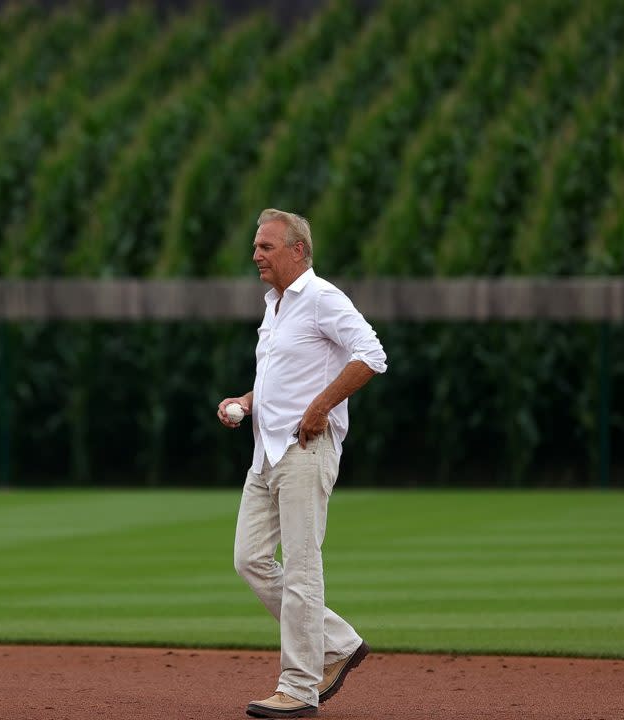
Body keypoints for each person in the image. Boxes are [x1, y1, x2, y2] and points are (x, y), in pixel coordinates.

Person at [217, 209, 387, 718]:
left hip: (304, 451)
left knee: (302, 569)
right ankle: (338, 642)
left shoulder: (322, 298)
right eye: (255, 246)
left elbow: (372, 354)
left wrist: (322, 406)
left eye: (266, 246)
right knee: (249, 559)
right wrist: (247, 403)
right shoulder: (275, 307)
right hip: (265, 453)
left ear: (297, 250)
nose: (255, 255)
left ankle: (299, 688)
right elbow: (282, 381)